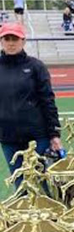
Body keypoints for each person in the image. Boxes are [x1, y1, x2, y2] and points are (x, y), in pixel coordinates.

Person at [0, 23, 62, 186]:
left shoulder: (36, 66)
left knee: (41, 182)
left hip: (37, 136)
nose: (11, 43)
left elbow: (47, 100)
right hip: (8, 137)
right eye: (7, 39)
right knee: (20, 184)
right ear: (1, 41)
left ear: (23, 41)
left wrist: (54, 134)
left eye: (15, 39)